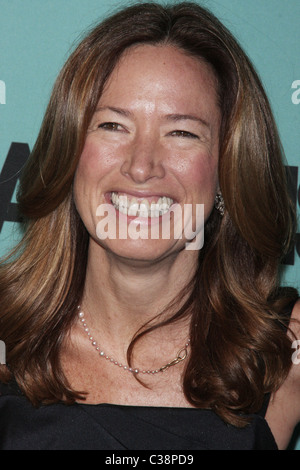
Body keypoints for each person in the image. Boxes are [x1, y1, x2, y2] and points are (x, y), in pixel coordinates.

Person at [0, 1, 299, 451]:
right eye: (113, 125)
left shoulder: (287, 351)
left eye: (182, 132)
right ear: (69, 153)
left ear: (227, 169)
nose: (142, 167)